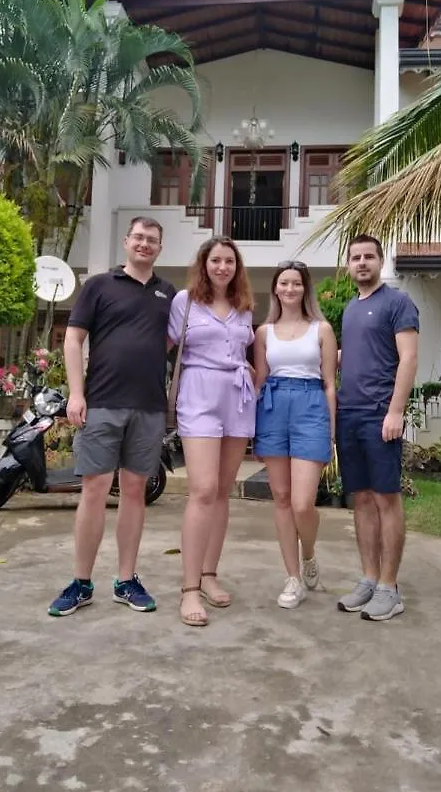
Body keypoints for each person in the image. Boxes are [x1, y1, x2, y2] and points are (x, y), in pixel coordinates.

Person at [48, 216, 175, 617]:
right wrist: (76, 392)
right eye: (138, 237)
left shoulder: (167, 293)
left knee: (135, 491)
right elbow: (73, 338)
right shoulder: (99, 286)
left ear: (159, 247)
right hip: (101, 402)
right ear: (126, 241)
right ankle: (81, 582)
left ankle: (126, 579)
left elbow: (175, 343)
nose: (144, 244)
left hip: (149, 407)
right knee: (95, 489)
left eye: (152, 240)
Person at [168, 236, 256, 628]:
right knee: (202, 490)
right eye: (216, 260)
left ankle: (209, 574)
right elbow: (164, 345)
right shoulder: (184, 302)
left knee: (223, 490)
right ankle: (188, 589)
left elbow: (249, 353)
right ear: (204, 264)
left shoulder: (243, 307)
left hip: (238, 396)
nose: (223, 267)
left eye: (229, 262)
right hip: (198, 393)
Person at [336, 234, 419, 622]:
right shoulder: (351, 309)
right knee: (362, 498)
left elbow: (408, 359)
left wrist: (396, 411)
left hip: (380, 415)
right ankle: (369, 579)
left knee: (387, 498)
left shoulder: (397, 302)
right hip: (350, 414)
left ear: (380, 261)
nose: (362, 262)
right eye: (356, 257)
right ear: (349, 264)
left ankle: (390, 587)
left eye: (369, 256)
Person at [253, 261, 337, 609]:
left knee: (303, 503)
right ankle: (292, 578)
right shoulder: (263, 332)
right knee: (283, 499)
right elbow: (259, 380)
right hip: (272, 408)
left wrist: (331, 430)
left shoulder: (322, 329)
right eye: (284, 283)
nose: (290, 289)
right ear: (275, 288)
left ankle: (310, 554)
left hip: (310, 406)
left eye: (296, 283)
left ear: (305, 289)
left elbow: (331, 383)